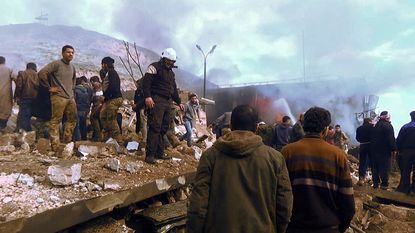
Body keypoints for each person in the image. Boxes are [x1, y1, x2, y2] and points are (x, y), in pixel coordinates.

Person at [187, 104, 293, 233]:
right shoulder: (275, 158)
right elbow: (284, 205)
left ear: (231, 125)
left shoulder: (210, 156)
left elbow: (198, 205)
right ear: (257, 127)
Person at [281, 107, 355, 233]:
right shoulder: (338, 155)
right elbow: (347, 202)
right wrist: (339, 227)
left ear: (304, 126)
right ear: (326, 129)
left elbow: (280, 193)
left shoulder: (287, 152)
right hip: (328, 227)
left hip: (294, 227)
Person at [142, 48, 184, 164]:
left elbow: (173, 89)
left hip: (167, 102)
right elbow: (146, 83)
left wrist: (179, 102)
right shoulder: (154, 67)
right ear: (164, 58)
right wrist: (148, 97)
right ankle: (149, 155)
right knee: (155, 127)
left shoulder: (171, 73)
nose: (171, 63)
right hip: (156, 100)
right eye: (169, 61)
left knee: (163, 128)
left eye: (173, 62)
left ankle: (159, 153)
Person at [38, 45, 77, 151]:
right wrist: (49, 88)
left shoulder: (73, 67)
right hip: (58, 97)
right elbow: (42, 73)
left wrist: (71, 90)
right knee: (56, 121)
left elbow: (73, 80)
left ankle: (67, 141)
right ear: (63, 53)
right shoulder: (56, 64)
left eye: (72, 52)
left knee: (72, 120)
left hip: (70, 97)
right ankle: (55, 145)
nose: (71, 54)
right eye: (68, 52)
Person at [99, 56, 123, 144]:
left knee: (111, 119)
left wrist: (105, 96)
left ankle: (118, 141)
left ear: (105, 64)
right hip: (111, 99)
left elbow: (113, 87)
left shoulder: (112, 73)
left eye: (102, 64)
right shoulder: (110, 73)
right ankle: (108, 138)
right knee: (103, 116)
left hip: (114, 99)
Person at [371, 111, 397, 190]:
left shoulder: (375, 125)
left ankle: (375, 183)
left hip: (374, 150)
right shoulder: (388, 126)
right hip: (384, 151)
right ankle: (384, 185)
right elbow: (391, 139)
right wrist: (393, 149)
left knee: (375, 167)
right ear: (387, 117)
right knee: (384, 168)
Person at [14, 62, 38, 132]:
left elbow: (19, 86)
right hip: (34, 98)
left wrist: (17, 96)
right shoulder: (37, 75)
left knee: (23, 114)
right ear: (34, 68)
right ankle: (28, 130)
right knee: (29, 114)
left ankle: (22, 131)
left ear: (27, 67)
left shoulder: (22, 73)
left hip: (25, 97)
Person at [395, 111, 415, 194]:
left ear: (411, 117)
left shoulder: (405, 127)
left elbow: (399, 140)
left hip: (406, 152)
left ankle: (404, 189)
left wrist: (399, 150)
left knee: (405, 171)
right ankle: (413, 190)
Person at [73, 76, 92, 141]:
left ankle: (77, 138)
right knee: (83, 124)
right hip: (84, 110)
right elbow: (88, 101)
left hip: (78, 109)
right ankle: (84, 138)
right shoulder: (85, 91)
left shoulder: (75, 91)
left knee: (76, 125)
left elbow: (74, 100)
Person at [355, 118, 373, 185]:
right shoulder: (372, 127)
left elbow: (357, 138)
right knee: (372, 162)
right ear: (369, 121)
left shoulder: (359, 128)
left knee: (362, 162)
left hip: (362, 145)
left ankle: (361, 179)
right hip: (371, 145)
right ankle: (373, 179)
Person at [0, 56, 14, 133]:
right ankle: (2, 127)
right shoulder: (8, 69)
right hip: (5, 94)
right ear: (4, 62)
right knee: (5, 110)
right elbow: (17, 78)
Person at [133, 78, 147, 146]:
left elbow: (143, 100)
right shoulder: (137, 91)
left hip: (142, 109)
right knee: (140, 123)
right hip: (138, 109)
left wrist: (137, 105)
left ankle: (144, 139)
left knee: (143, 124)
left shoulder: (143, 91)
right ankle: (139, 134)